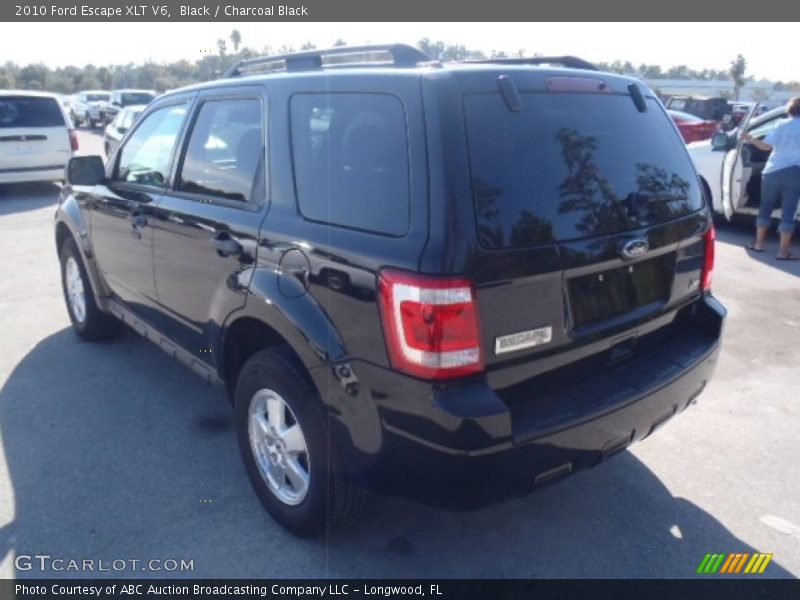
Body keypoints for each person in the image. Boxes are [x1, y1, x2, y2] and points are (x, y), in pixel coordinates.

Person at [743, 96, 800, 261]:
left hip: (773, 171)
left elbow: (766, 146)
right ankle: (783, 252)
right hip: (796, 173)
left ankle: (759, 244)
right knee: (788, 212)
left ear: (790, 110)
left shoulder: (781, 124)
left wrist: (750, 139)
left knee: (765, 207)